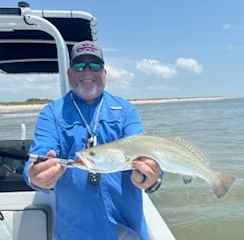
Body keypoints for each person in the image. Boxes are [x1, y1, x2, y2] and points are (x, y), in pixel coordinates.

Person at [23, 40, 163, 240]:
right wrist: (35, 175)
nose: (87, 71)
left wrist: (152, 176)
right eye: (79, 66)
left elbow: (146, 152)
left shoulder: (126, 111)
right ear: (70, 73)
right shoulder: (51, 113)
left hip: (127, 227)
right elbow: (39, 155)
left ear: (104, 73)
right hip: (76, 231)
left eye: (95, 65)